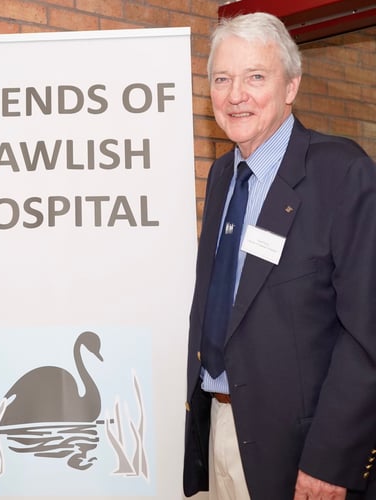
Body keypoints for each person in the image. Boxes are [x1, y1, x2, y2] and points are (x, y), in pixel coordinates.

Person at [183, 12, 376, 500]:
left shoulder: (343, 173)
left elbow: (367, 333)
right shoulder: (224, 173)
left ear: (291, 87)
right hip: (223, 427)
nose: (235, 94)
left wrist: (332, 458)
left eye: (255, 77)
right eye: (222, 79)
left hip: (302, 453)